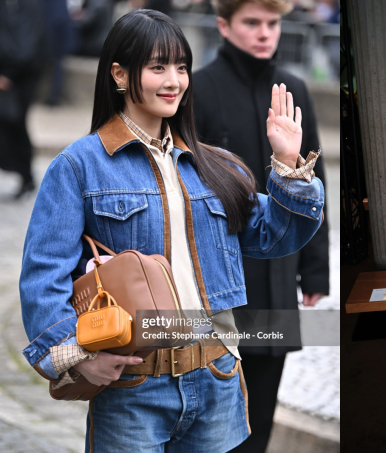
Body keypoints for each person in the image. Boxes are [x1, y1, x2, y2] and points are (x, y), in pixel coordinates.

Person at [19, 10, 324, 452]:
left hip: (218, 380)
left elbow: (277, 236)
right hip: (133, 386)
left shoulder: (215, 165)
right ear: (120, 74)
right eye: (158, 66)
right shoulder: (78, 166)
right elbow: (43, 277)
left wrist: (288, 165)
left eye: (181, 66)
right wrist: (82, 357)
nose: (174, 80)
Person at [193, 1, 329, 451]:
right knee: (217, 409)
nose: (264, 33)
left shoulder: (295, 89)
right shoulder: (199, 90)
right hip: (222, 278)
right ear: (223, 26)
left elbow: (314, 182)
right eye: (252, 22)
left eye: (272, 23)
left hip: (280, 273)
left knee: (262, 413)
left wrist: (314, 270)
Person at [0, 0, 47, 199]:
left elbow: (26, 41)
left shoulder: (28, 5)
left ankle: (26, 176)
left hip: (19, 75)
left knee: (15, 125)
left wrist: (8, 74)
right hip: (14, 71)